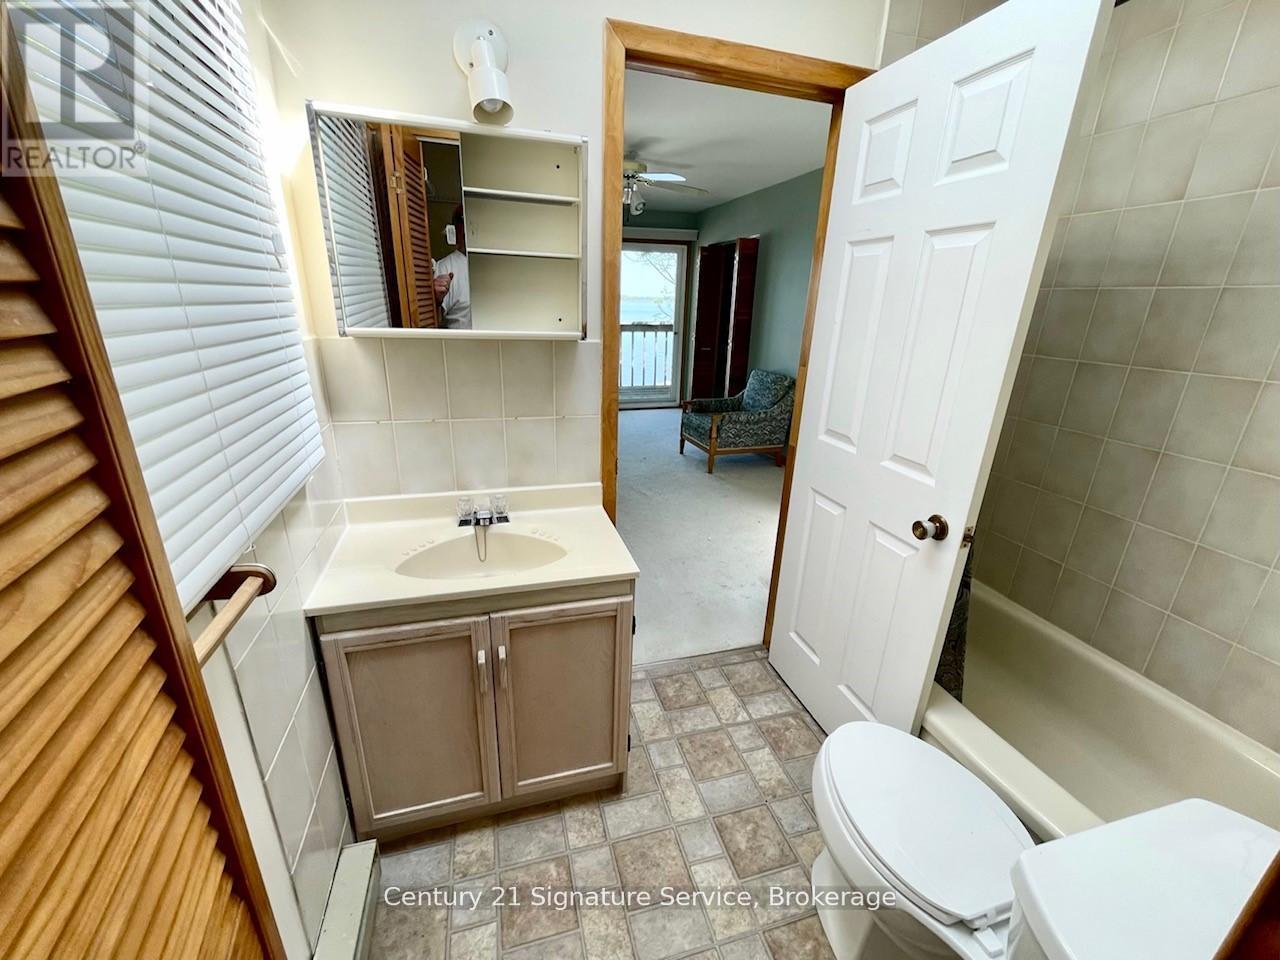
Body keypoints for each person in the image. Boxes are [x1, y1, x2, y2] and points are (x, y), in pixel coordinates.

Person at [432, 205, 471, 329]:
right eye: (462, 220)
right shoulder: (445, 268)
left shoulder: (497, 264)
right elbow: (433, 323)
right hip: (462, 346)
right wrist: (437, 300)